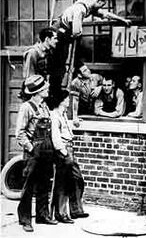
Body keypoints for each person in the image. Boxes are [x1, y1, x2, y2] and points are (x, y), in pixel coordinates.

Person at [51, 0, 132, 92]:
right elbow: (76, 32)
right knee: (60, 64)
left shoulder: (88, 5)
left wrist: (122, 20)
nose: (101, 7)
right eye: (102, 4)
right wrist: (76, 35)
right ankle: (57, 90)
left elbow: (105, 14)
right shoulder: (80, 9)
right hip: (60, 33)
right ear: (98, 0)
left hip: (67, 32)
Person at [15, 75, 58, 232]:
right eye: (44, 88)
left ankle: (42, 215)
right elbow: (19, 133)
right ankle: (25, 219)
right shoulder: (26, 107)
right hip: (33, 152)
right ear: (37, 92)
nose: (47, 89)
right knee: (28, 186)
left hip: (47, 151)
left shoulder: (44, 106)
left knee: (44, 184)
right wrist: (31, 148)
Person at [51, 89, 89, 222]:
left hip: (69, 149)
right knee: (63, 183)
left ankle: (76, 210)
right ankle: (61, 214)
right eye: (66, 99)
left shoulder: (63, 114)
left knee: (77, 179)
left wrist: (75, 123)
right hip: (63, 151)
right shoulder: (54, 116)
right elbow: (56, 137)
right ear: (61, 101)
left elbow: (66, 129)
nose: (68, 101)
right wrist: (64, 152)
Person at [19, 28, 58, 101]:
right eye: (55, 38)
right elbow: (29, 77)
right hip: (34, 93)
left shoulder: (49, 52)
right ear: (47, 39)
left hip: (43, 90)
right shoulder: (33, 53)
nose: (57, 41)